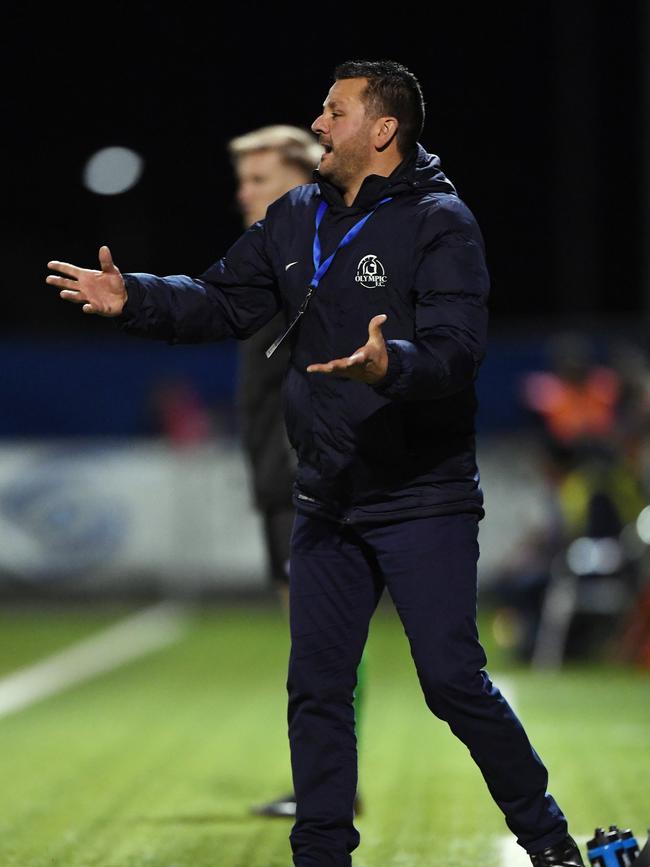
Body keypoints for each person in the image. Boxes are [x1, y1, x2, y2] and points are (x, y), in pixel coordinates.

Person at [46, 59, 585, 867]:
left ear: (383, 129)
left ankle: (549, 840)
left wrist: (387, 366)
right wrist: (138, 299)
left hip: (420, 494)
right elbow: (223, 299)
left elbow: (457, 353)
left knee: (450, 680)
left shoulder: (442, 222)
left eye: (334, 112)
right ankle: (321, 856)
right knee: (318, 688)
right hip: (328, 493)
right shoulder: (296, 214)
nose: (318, 126)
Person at [229, 124, 367, 818]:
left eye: (258, 179)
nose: (243, 192)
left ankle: (329, 787)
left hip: (302, 474)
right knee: (314, 639)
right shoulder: (273, 256)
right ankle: (328, 782)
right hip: (277, 473)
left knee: (321, 641)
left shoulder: (316, 254)